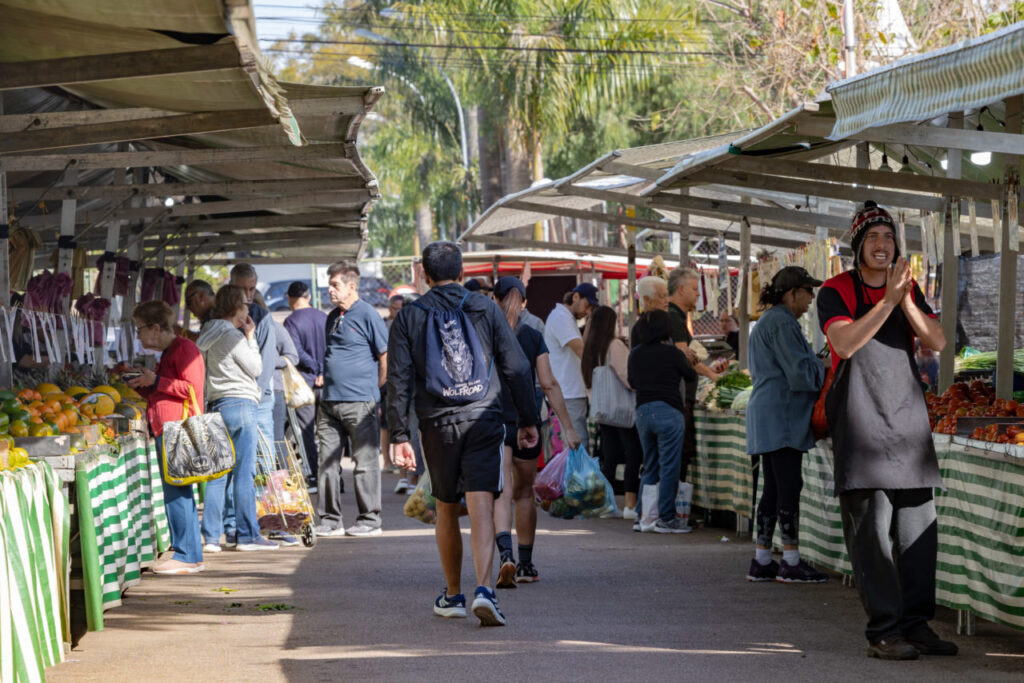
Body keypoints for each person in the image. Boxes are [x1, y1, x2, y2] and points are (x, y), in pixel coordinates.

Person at [818, 200, 955, 660]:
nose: (882, 245)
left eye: (889, 238)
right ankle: (884, 632)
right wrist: (887, 303)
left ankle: (916, 625)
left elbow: (937, 341)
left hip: (906, 419)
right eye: (873, 237)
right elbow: (844, 343)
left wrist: (905, 299)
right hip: (861, 421)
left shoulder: (907, 287)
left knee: (919, 533)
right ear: (858, 244)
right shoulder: (835, 290)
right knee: (872, 537)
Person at [388, 241, 538, 627]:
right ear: (461, 272)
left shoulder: (409, 316)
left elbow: (398, 379)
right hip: (483, 417)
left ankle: (453, 595)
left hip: (436, 423)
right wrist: (528, 419)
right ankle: (484, 590)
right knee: (482, 504)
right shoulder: (485, 307)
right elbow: (517, 367)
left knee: (446, 506)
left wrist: (399, 434)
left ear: (424, 274)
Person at [491, 276, 580, 588]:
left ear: (494, 299)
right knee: (524, 493)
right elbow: (548, 383)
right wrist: (568, 427)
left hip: (494, 422)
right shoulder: (532, 334)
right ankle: (526, 564)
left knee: (501, 493)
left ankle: (505, 555)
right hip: (528, 422)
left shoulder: (484, 331)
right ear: (525, 302)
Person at [745, 266, 828, 584]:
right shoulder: (782, 322)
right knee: (789, 485)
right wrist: (822, 366)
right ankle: (791, 561)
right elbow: (800, 374)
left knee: (773, 487)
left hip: (769, 412)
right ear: (792, 293)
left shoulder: (769, 320)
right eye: (808, 292)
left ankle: (762, 559)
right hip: (782, 415)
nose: (811, 300)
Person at [196, 285, 278, 551]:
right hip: (241, 403)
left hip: (215, 405)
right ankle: (247, 535)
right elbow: (256, 367)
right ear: (236, 308)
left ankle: (211, 538)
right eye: (244, 305)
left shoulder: (206, 334)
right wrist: (251, 337)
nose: (247, 310)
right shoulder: (232, 336)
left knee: (217, 475)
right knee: (244, 472)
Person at [129, 301, 206, 574]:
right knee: (177, 492)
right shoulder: (171, 351)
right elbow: (167, 391)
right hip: (167, 428)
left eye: (139, 328)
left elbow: (191, 389)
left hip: (178, 430)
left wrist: (156, 381)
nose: (138, 335)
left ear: (155, 328)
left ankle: (187, 555)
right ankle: (187, 552)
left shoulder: (185, 349)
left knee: (178, 492)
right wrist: (142, 385)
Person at [316, 260, 389, 538]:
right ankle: (329, 520)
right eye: (329, 284)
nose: (330, 290)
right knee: (326, 463)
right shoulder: (332, 316)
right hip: (329, 403)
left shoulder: (368, 314)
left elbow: (385, 356)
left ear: (351, 286)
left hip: (360, 402)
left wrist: (374, 391)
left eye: (335, 285)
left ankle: (370, 520)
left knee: (365, 463)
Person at [628, 310, 696, 534]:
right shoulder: (672, 353)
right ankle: (666, 518)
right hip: (669, 411)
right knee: (669, 467)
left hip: (643, 412)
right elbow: (690, 375)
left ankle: (642, 516)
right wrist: (689, 361)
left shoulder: (635, 353)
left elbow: (632, 381)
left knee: (650, 465)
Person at [582, 305, 642, 520]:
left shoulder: (590, 349)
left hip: (603, 410)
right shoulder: (614, 345)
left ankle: (604, 504)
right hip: (622, 410)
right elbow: (628, 376)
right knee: (633, 454)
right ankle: (630, 505)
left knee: (610, 456)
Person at [665, 267, 720, 483]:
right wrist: (712, 376)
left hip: (678, 396)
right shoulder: (674, 317)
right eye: (695, 289)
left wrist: (709, 370)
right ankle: (672, 501)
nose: (698, 294)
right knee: (680, 453)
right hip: (678, 397)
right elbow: (684, 355)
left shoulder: (677, 316)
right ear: (681, 289)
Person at [543, 282, 599, 453]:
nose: (587, 312)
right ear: (575, 297)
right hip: (568, 394)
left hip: (570, 393)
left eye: (591, 309)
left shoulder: (566, 318)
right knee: (576, 448)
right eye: (587, 306)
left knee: (575, 447)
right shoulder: (561, 318)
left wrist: (590, 322)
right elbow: (581, 351)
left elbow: (582, 347)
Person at [284, 281, 328, 488]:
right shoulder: (324, 317)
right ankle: (333, 476)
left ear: (289, 298)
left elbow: (296, 352)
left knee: (307, 431)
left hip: (304, 384)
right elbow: (333, 346)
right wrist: (323, 370)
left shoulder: (291, 322)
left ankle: (315, 476)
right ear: (308, 296)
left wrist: (315, 368)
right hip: (326, 382)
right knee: (329, 431)